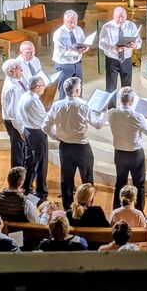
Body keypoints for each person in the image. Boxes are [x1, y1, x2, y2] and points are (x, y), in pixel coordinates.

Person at [42, 77, 107, 210]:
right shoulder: (83, 105)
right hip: (82, 148)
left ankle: (68, 208)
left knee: (66, 179)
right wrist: (104, 113)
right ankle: (87, 207)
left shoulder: (57, 105)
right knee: (87, 179)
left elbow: (45, 126)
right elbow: (98, 124)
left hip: (65, 147)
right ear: (77, 90)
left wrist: (56, 136)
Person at [107, 86, 147, 221]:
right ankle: (140, 215)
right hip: (135, 154)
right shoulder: (137, 116)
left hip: (120, 154)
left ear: (119, 100)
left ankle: (116, 213)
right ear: (133, 100)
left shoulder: (112, 113)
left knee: (120, 183)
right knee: (139, 184)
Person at [99, 6, 142, 94]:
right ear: (113, 16)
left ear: (126, 16)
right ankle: (111, 107)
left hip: (126, 59)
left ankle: (126, 107)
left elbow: (139, 42)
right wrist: (114, 49)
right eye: (118, 17)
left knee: (127, 87)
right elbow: (101, 43)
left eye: (123, 17)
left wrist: (135, 45)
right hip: (112, 60)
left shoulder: (131, 26)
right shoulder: (107, 27)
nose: (120, 19)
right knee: (111, 87)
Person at [18, 76, 48, 200]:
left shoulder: (25, 96)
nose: (44, 88)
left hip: (27, 130)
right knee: (40, 164)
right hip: (36, 133)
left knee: (29, 161)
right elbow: (44, 119)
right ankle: (41, 192)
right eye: (42, 86)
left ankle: (27, 188)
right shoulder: (34, 101)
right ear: (36, 88)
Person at [0, 59, 30, 169]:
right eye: (19, 69)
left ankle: (21, 173)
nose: (22, 71)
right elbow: (14, 113)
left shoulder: (15, 80)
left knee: (21, 149)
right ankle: (17, 177)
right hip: (14, 123)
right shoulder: (12, 88)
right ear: (12, 71)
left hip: (17, 120)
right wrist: (21, 130)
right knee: (18, 151)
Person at [52, 10, 88, 100]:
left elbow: (83, 43)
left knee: (78, 89)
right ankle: (64, 111)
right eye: (70, 22)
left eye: (74, 22)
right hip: (64, 65)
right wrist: (76, 52)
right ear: (64, 21)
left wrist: (86, 47)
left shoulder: (79, 30)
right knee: (65, 90)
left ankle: (78, 109)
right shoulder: (58, 34)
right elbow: (62, 54)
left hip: (77, 63)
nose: (72, 24)